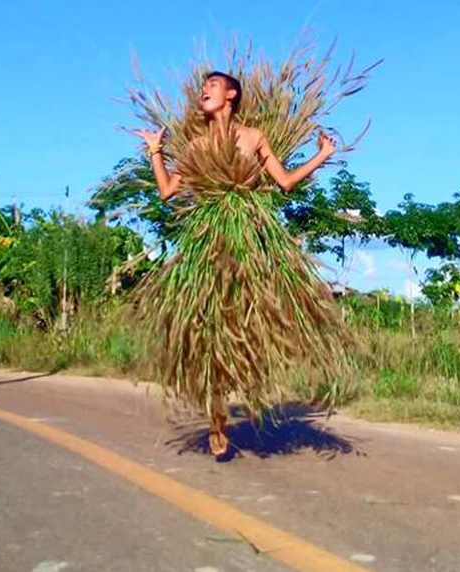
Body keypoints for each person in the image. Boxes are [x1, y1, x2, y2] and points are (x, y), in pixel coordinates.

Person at [131, 65, 354, 457]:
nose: (204, 90)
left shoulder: (253, 137)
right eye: (203, 86)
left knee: (250, 323)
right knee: (211, 330)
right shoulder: (196, 146)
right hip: (207, 243)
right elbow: (166, 191)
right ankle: (217, 421)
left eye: (212, 85)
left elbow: (283, 183)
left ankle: (254, 385)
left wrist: (321, 155)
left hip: (249, 237)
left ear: (231, 95)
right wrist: (155, 151)